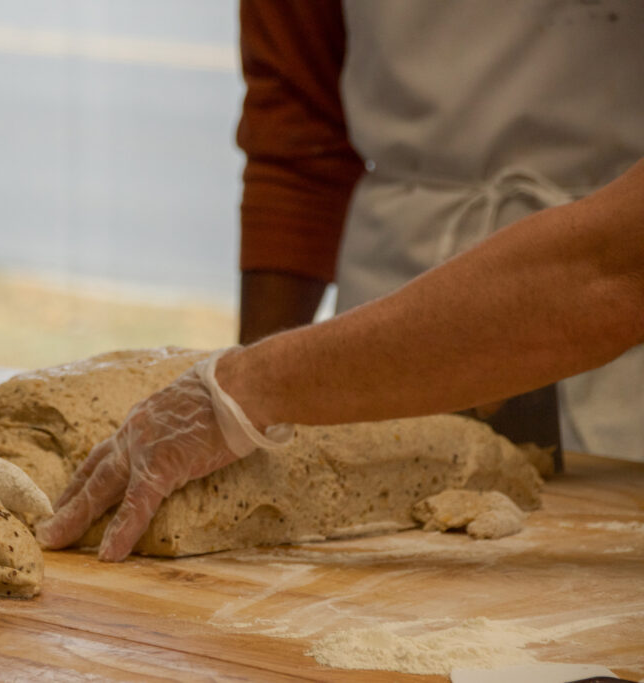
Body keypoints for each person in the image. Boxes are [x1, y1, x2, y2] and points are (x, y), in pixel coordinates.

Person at [35, 154, 644, 562]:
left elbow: (612, 268)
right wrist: (253, 407)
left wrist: (246, 386)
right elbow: (295, 149)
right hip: (392, 277)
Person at [235, 0, 644, 459]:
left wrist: (257, 383)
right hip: (396, 286)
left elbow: (621, 263)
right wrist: (244, 422)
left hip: (625, 334)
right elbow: (298, 136)